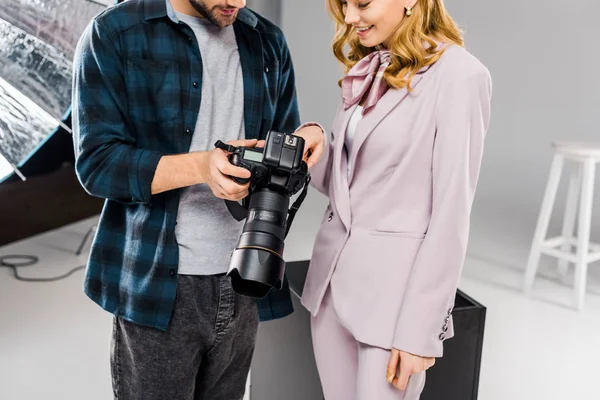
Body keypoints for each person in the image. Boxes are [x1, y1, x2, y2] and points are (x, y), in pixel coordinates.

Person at [71, 0, 321, 398]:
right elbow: (98, 165)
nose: (237, 3)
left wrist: (308, 138)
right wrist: (203, 167)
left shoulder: (267, 42)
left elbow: (285, 167)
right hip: (159, 285)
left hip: (247, 274)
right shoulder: (115, 33)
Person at [294, 0, 492, 398]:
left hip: (395, 307)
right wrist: (317, 147)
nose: (349, 18)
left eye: (362, 3)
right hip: (331, 290)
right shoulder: (368, 66)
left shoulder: (461, 77)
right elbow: (351, 186)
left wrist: (421, 330)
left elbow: (451, 214)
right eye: (343, 4)